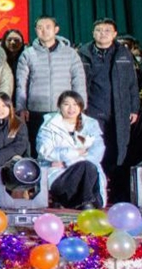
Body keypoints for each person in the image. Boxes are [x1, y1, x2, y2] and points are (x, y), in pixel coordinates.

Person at [78, 18, 139, 202]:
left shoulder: (123, 54)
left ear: (114, 34)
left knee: (118, 151)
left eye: (107, 31)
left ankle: (118, 194)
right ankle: (94, 193)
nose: (102, 34)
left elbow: (132, 84)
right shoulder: (83, 54)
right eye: (99, 30)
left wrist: (134, 108)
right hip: (93, 111)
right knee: (94, 150)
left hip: (119, 111)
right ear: (93, 33)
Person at [15, 16, 87, 157]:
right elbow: (21, 84)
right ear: (35, 30)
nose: (44, 31)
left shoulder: (70, 54)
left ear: (56, 29)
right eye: (40, 27)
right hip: (36, 111)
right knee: (38, 150)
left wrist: (81, 108)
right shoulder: (27, 54)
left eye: (48, 27)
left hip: (64, 111)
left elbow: (79, 81)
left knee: (65, 150)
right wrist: (21, 108)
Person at [37, 91, 107, 209]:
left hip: (86, 173)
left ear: (81, 107)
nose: (71, 108)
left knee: (87, 166)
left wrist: (67, 162)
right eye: (66, 104)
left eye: (75, 104)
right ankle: (86, 202)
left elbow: (98, 150)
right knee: (85, 166)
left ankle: (84, 201)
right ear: (59, 106)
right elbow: (45, 150)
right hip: (59, 175)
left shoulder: (91, 124)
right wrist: (76, 153)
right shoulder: (49, 125)